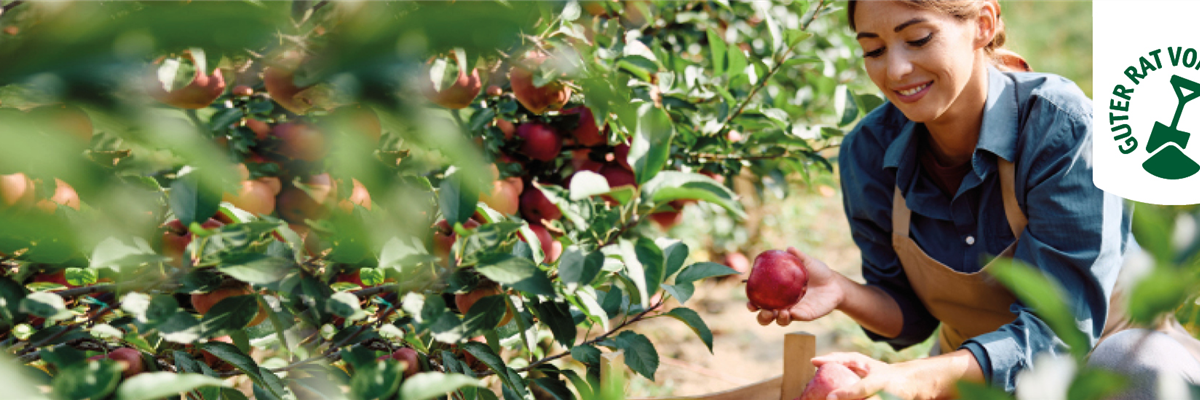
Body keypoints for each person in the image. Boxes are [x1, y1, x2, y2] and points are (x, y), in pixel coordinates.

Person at [745, 1, 1200, 399]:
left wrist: (916, 380)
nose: (895, 69)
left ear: (983, 24)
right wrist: (844, 293)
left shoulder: (1063, 130)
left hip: (1102, 372)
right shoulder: (869, 153)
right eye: (874, 49)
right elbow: (913, 320)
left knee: (1137, 365)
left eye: (918, 39)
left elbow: (1060, 332)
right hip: (975, 381)